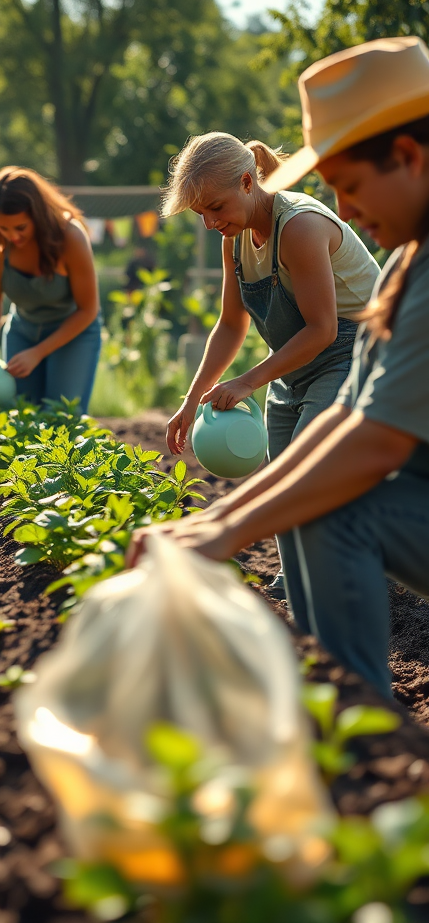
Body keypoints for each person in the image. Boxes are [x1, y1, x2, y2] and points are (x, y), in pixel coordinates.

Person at [129, 36, 429, 699]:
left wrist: (225, 533)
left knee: (330, 506)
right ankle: (331, 696)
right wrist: (213, 523)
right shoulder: (408, 267)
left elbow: (373, 439)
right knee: (309, 495)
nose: (343, 214)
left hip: (332, 359)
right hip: (324, 391)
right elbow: (350, 420)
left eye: (350, 189)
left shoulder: (316, 234)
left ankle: (359, 723)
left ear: (407, 158)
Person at [161, 132, 381, 590]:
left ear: (247, 181)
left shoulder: (299, 226)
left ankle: (345, 574)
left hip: (356, 350)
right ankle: (297, 577)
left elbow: (322, 329)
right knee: (279, 469)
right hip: (296, 357)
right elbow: (229, 326)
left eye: (215, 208)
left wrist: (245, 383)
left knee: (306, 470)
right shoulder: (235, 237)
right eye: (201, 214)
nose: (209, 223)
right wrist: (191, 400)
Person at [0, 167, 101, 413]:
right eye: (4, 228)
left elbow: (88, 310)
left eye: (21, 227)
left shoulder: (70, 237)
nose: (12, 236)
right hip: (22, 331)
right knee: (22, 414)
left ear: (38, 215)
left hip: (73, 334)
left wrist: (38, 353)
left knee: (62, 416)